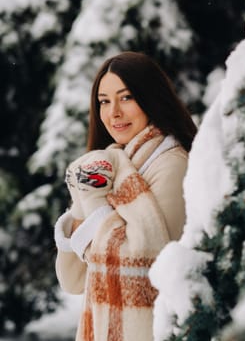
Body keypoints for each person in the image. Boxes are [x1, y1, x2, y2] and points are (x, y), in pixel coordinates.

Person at [53, 51, 197, 341]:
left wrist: (92, 199)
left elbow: (142, 265)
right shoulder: (108, 167)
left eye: (126, 97)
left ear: (151, 98)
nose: (113, 112)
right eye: (104, 101)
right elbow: (74, 280)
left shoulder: (171, 163)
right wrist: (85, 199)